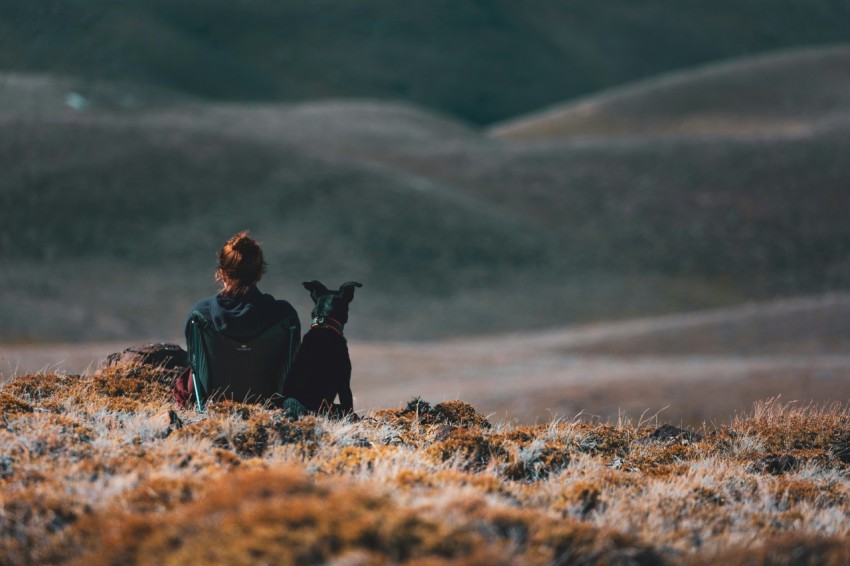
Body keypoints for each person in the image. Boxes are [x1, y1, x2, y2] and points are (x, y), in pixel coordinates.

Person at [182, 230, 300, 405]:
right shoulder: (285, 316)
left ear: (222, 274)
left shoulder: (200, 315)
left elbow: (196, 364)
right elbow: (290, 365)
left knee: (184, 377)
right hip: (268, 403)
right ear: (260, 274)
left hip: (215, 403)